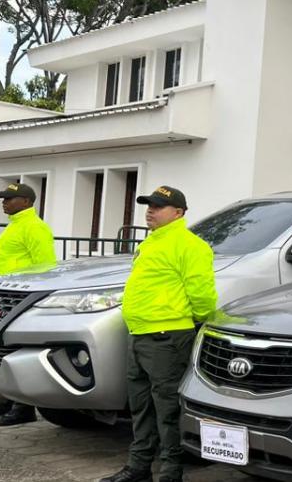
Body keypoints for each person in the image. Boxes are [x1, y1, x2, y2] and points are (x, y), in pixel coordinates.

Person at [99, 185, 217, 482]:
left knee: (166, 408)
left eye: (158, 206)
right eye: (148, 205)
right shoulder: (150, 243)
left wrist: (194, 323)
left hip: (167, 337)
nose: (150, 211)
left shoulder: (191, 245)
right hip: (140, 334)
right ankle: (139, 467)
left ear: (178, 212)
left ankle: (170, 470)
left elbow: (202, 296)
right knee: (140, 406)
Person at [0, 182, 56, 426]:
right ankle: (4, 400)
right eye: (3, 198)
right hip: (3, 296)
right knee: (0, 349)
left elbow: (46, 266)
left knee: (17, 349)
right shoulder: (15, 226)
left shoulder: (34, 227)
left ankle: (23, 407)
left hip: (21, 299)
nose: (4, 202)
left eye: (10, 198)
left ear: (26, 202)